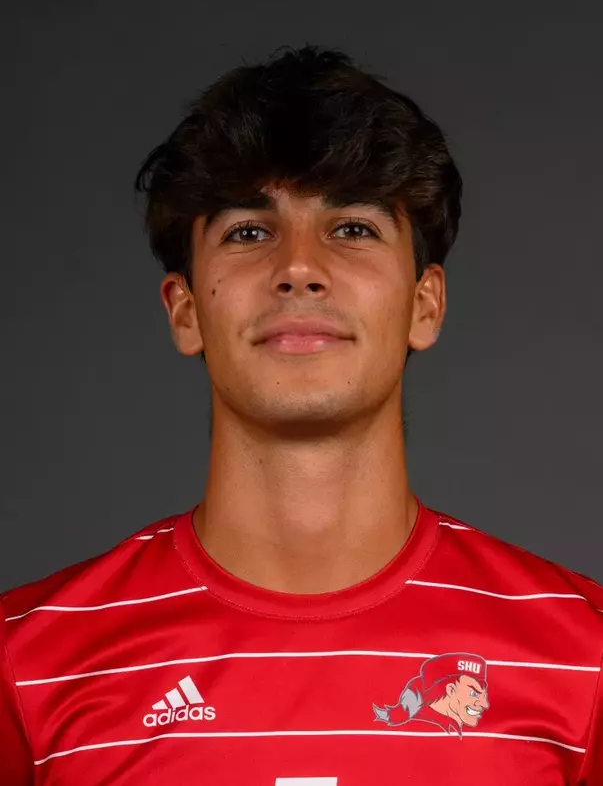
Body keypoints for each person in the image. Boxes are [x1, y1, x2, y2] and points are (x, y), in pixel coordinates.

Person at [1, 44, 601, 786]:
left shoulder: (585, 655)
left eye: (352, 228)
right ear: (184, 311)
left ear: (425, 303)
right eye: (248, 233)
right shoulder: (24, 660)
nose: (298, 267)